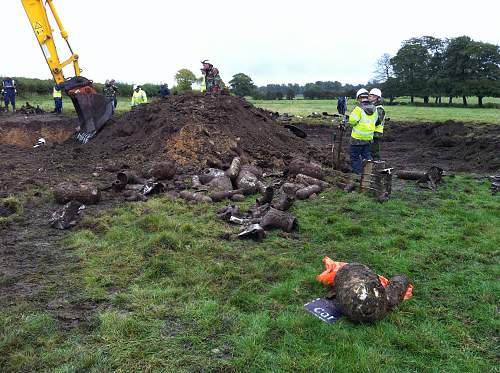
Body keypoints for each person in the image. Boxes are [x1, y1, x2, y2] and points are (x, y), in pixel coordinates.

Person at [346, 88, 378, 174]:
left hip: (357, 139)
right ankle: (369, 174)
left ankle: (358, 175)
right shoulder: (375, 109)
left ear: (359, 98)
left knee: (355, 157)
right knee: (367, 156)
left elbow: (352, 122)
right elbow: (375, 121)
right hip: (368, 138)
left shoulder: (358, 109)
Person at [369, 88, 385, 161]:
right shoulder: (372, 107)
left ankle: (377, 166)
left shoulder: (379, 108)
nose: (369, 97)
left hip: (376, 133)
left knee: (375, 151)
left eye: (371, 95)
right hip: (371, 132)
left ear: (376, 97)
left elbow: (377, 121)